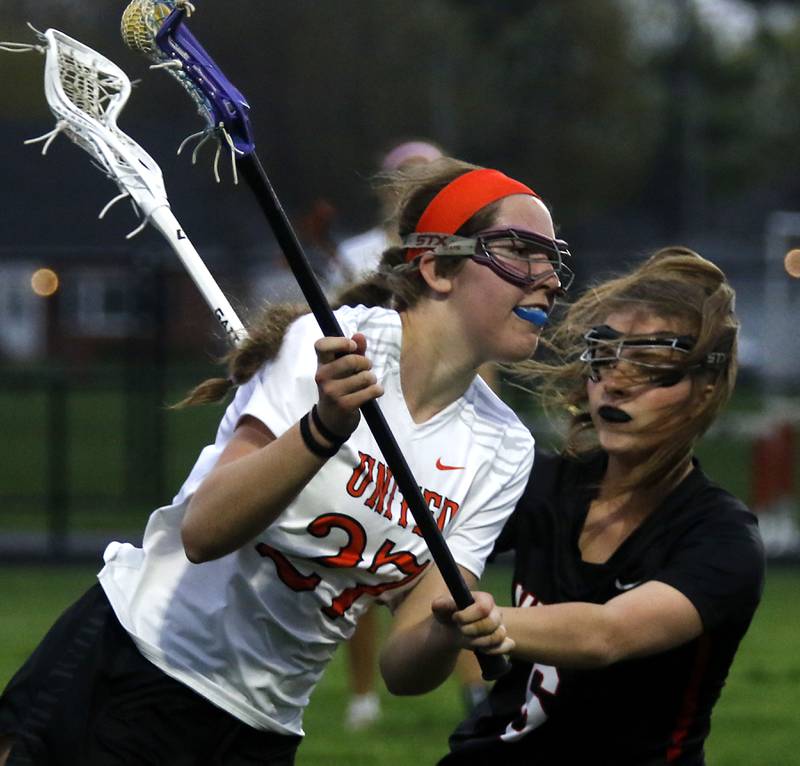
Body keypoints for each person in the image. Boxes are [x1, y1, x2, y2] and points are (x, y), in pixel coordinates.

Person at [0, 157, 575, 765]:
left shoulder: (504, 448)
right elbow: (203, 531)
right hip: (138, 667)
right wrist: (322, 429)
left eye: (552, 258)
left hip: (263, 730)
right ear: (437, 268)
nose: (550, 280)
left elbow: (403, 668)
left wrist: (446, 631)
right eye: (520, 251)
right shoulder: (331, 348)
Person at [437, 247, 765, 766]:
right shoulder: (538, 483)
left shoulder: (723, 539)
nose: (614, 381)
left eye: (650, 363)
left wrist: (482, 619)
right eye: (604, 357)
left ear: (704, 390)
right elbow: (422, 533)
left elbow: (604, 634)